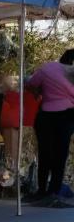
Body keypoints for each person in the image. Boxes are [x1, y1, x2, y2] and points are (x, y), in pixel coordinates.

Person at [27, 50, 74, 203]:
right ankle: (55, 191)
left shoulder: (48, 68)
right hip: (67, 115)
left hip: (46, 114)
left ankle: (42, 189)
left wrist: (39, 93)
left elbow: (31, 84)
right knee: (61, 154)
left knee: (45, 152)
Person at [0, 74, 40, 184]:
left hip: (18, 127)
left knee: (12, 156)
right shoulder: (38, 98)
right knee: (28, 157)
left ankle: (11, 181)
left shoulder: (16, 96)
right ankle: (24, 180)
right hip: (30, 128)